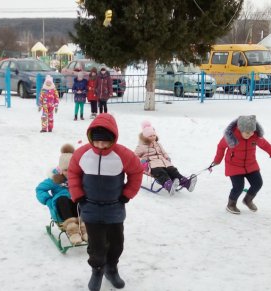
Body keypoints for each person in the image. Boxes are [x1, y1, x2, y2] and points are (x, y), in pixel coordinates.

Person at [67, 113, 144, 291]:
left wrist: (127, 194)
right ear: (90, 138)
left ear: (113, 139)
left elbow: (136, 172)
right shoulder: (82, 154)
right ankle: (97, 271)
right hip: (90, 206)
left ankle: (111, 268)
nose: (100, 145)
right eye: (97, 141)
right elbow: (73, 173)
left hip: (114, 207)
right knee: (96, 245)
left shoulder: (123, 154)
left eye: (105, 142)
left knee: (117, 243)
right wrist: (78, 196)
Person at [212, 115, 271, 214]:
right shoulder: (231, 137)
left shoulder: (255, 136)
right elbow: (220, 147)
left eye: (252, 132)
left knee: (258, 183)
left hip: (250, 164)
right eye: (247, 132)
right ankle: (231, 204)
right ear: (240, 129)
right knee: (238, 186)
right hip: (234, 165)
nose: (250, 134)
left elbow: (265, 145)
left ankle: (248, 200)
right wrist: (217, 160)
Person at [35, 144, 88, 245]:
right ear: (60, 169)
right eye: (65, 170)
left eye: (71, 170)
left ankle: (85, 229)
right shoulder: (54, 180)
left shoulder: (79, 178)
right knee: (62, 199)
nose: (69, 173)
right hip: (61, 211)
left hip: (78, 211)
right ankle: (73, 233)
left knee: (79, 198)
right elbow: (40, 189)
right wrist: (48, 200)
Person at [135, 121, 197, 195]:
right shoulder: (141, 147)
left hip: (163, 162)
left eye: (154, 135)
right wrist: (143, 162)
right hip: (151, 165)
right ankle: (168, 185)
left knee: (173, 170)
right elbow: (134, 156)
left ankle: (186, 183)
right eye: (150, 136)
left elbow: (163, 152)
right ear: (145, 137)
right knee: (160, 172)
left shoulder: (158, 144)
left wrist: (167, 158)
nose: (153, 137)